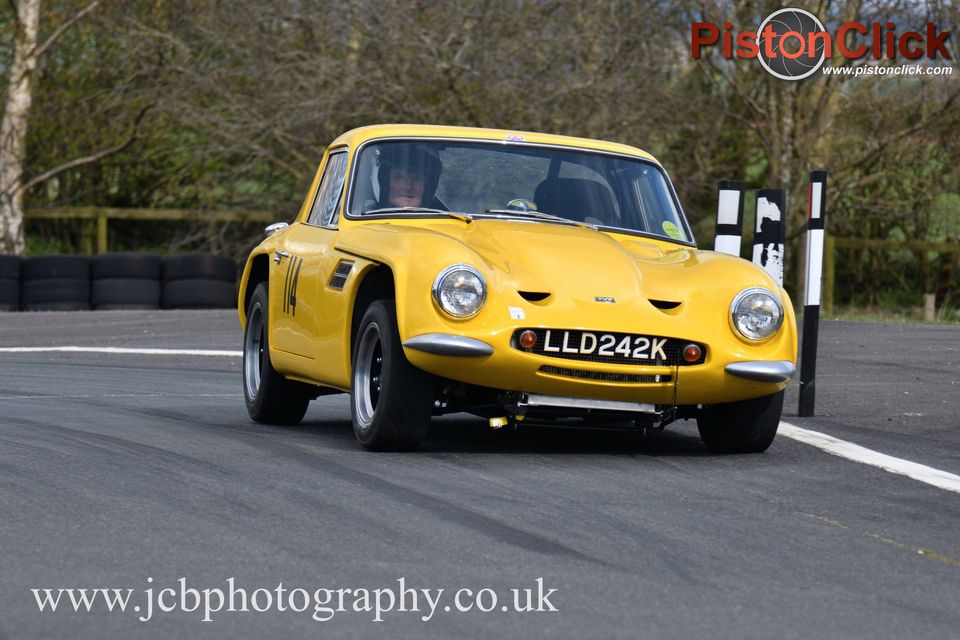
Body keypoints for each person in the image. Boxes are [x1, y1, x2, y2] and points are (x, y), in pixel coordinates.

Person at [375, 144, 444, 209]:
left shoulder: (447, 219)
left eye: (417, 179)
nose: (408, 187)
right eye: (399, 177)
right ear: (384, 181)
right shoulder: (366, 217)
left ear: (429, 186)